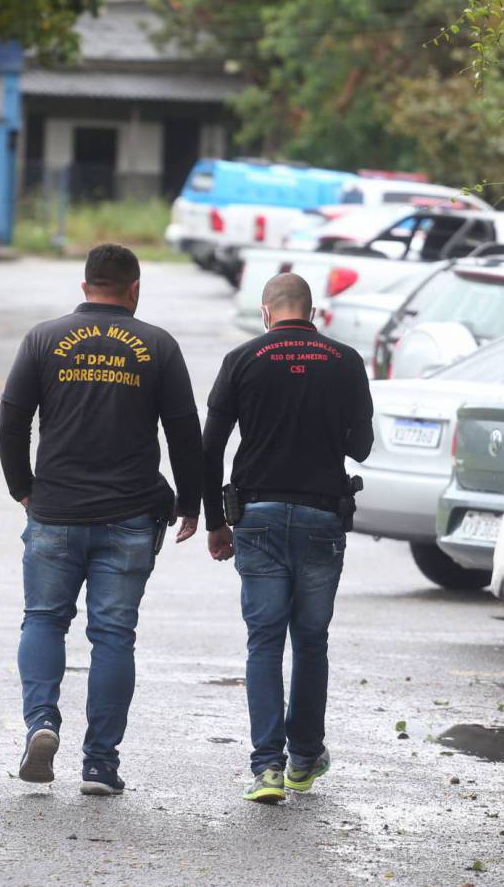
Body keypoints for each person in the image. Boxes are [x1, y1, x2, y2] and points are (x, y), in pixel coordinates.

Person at [0, 244, 202, 795]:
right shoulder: (157, 345)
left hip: (55, 510)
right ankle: (100, 764)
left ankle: (41, 723)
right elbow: (185, 432)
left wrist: (23, 488)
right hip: (130, 516)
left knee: (42, 620)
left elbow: (12, 420)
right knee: (114, 636)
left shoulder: (44, 338)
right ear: (134, 288)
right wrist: (191, 502)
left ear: (85, 284)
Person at [202, 273, 373, 804]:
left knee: (264, 641)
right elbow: (362, 447)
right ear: (313, 312)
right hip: (322, 516)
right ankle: (304, 758)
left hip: (258, 517)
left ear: (266, 311)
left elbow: (209, 449)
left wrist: (214, 521)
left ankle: (267, 769)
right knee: (312, 641)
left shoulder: (244, 359)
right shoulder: (345, 361)